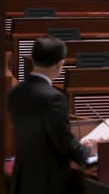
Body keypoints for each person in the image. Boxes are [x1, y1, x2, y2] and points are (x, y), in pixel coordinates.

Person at [8, 36, 98, 194]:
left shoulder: (16, 92)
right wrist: (88, 149)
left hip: (23, 176)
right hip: (48, 182)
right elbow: (64, 143)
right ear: (59, 64)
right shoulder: (53, 97)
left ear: (33, 59)